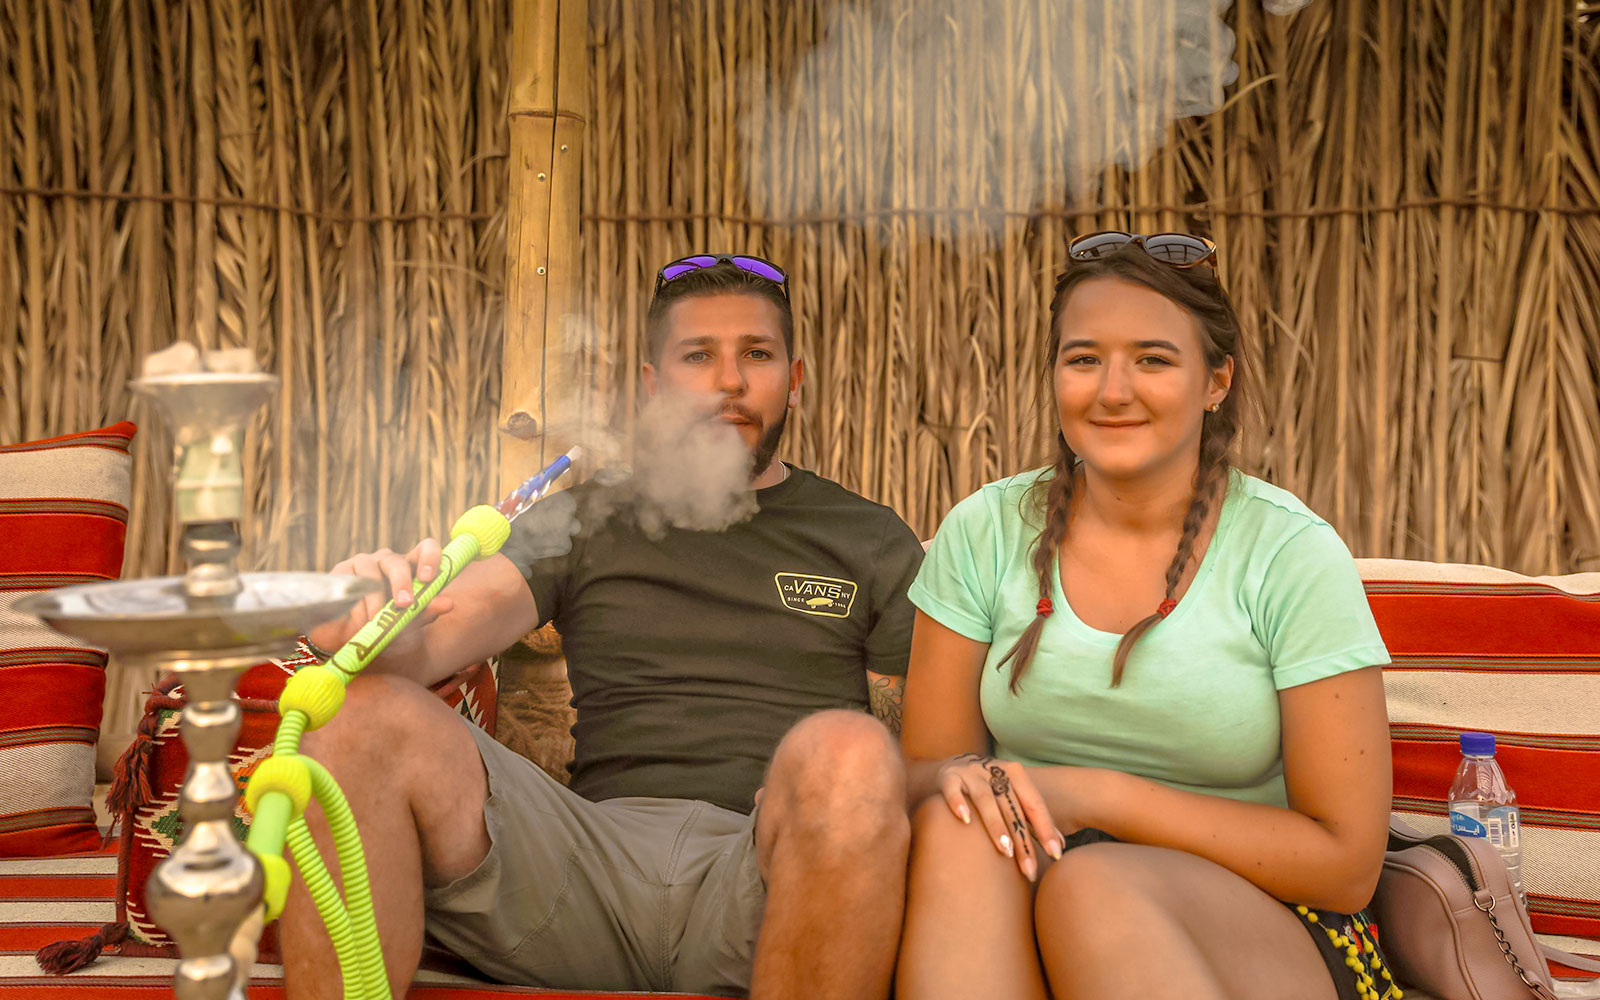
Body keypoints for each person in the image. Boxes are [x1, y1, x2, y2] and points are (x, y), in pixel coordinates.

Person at [282, 254, 923, 999]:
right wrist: (369, 613)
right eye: (697, 356)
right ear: (653, 385)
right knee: (358, 717)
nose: (729, 382)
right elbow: (436, 636)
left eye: (757, 354)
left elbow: (916, 750)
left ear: (795, 377)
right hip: (582, 869)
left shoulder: (866, 537)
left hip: (763, 874)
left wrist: (825, 797)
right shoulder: (587, 519)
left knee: (849, 750)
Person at [895, 233, 1398, 1000]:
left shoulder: (1289, 553)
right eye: (1084, 358)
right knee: (960, 823)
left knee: (1093, 888)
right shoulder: (986, 530)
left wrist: (1099, 796)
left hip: (1262, 921)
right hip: (1029, 893)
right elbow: (935, 772)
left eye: (1154, 360)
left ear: (1215, 382)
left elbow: (1348, 866)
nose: (1112, 390)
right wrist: (988, 789)